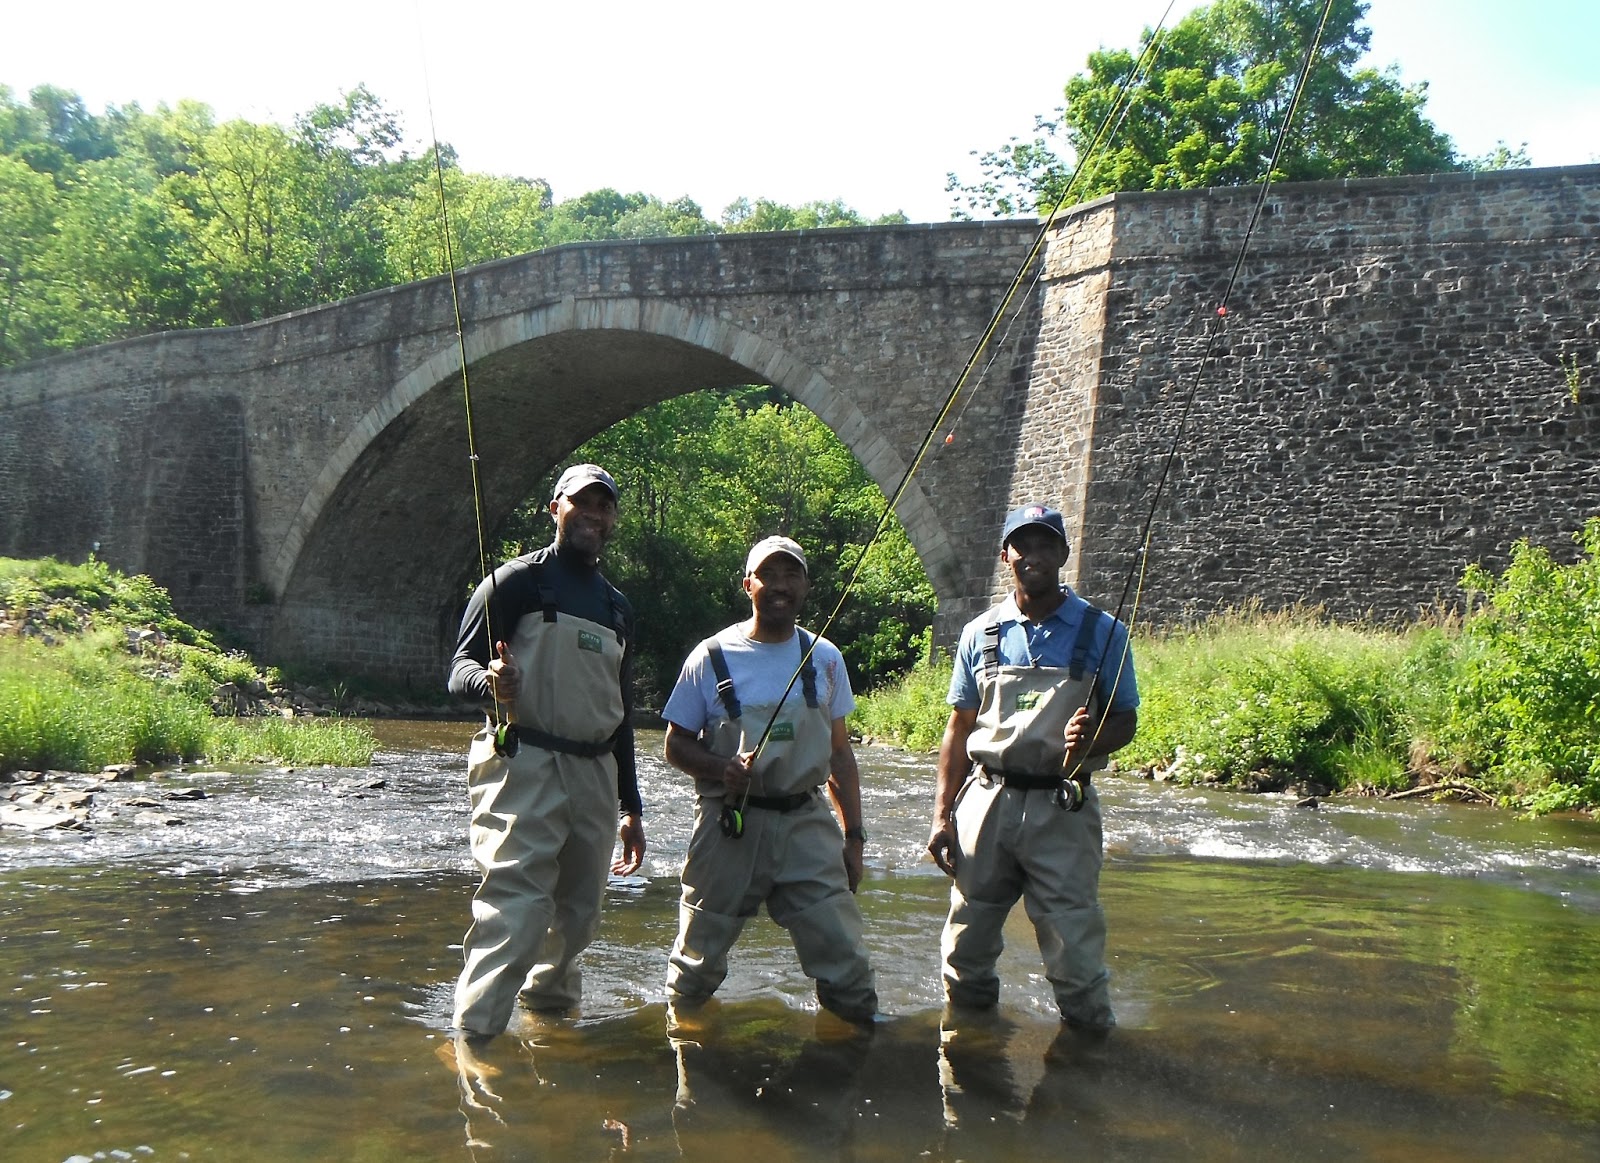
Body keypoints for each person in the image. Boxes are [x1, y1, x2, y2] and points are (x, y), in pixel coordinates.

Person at [446, 462, 646, 1039]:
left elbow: (622, 713)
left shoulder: (618, 608)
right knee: (518, 910)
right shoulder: (515, 583)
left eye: (605, 506)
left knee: (576, 918)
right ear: (555, 507)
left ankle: (550, 1029)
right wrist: (492, 684)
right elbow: (457, 672)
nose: (595, 514)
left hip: (595, 775)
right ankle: (474, 1040)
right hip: (521, 762)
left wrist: (631, 805)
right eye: (582, 502)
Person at [926, 503, 1138, 1031]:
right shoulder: (980, 633)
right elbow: (958, 730)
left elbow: (1126, 722)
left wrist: (1093, 737)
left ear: (1063, 555)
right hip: (986, 802)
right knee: (965, 950)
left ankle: (1088, 1061)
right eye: (1024, 545)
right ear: (1006, 555)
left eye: (1047, 545)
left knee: (1076, 956)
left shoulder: (1105, 632)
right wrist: (941, 816)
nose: (1034, 556)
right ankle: (968, 1054)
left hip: (1063, 806)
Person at [661, 535, 877, 1025]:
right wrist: (721, 769)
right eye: (769, 576)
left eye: (791, 575)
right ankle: (690, 1069)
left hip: (807, 823)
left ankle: (855, 1065)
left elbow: (841, 757)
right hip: (728, 826)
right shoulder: (710, 656)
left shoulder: (825, 658)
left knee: (849, 969)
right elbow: (675, 745)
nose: (780, 586)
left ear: (805, 587)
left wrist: (854, 837)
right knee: (694, 969)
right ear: (748, 585)